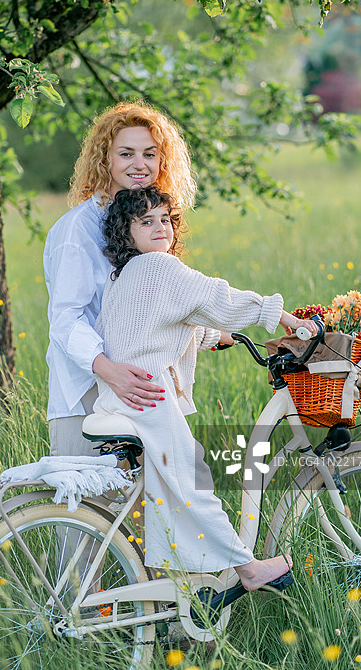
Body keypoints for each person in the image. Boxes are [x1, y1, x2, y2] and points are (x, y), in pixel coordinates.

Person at [92, 186, 319, 589]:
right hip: (149, 396)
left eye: (165, 219)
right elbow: (216, 296)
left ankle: (176, 585)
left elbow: (156, 328)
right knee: (191, 477)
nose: (160, 228)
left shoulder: (124, 276)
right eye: (146, 222)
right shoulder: (160, 267)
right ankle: (248, 570)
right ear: (126, 234)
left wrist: (213, 337)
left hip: (119, 398)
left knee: (168, 488)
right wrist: (281, 317)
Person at [44, 101, 197, 459]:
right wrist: (110, 372)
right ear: (106, 159)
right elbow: (65, 321)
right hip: (88, 388)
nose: (139, 164)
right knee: (87, 507)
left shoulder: (150, 221)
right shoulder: (78, 229)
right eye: (126, 153)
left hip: (140, 384)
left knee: (148, 508)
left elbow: (154, 303)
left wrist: (211, 332)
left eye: (149, 153)